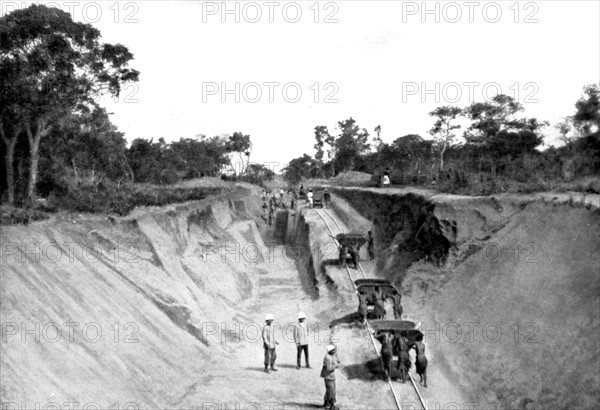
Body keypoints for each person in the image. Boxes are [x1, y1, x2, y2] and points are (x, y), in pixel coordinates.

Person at [321, 345, 339, 410]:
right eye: (333, 350)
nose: (334, 351)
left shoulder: (331, 356)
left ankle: (326, 403)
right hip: (328, 376)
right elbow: (329, 368)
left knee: (329, 390)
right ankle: (331, 405)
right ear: (330, 350)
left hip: (330, 376)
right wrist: (336, 366)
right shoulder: (328, 357)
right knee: (331, 391)